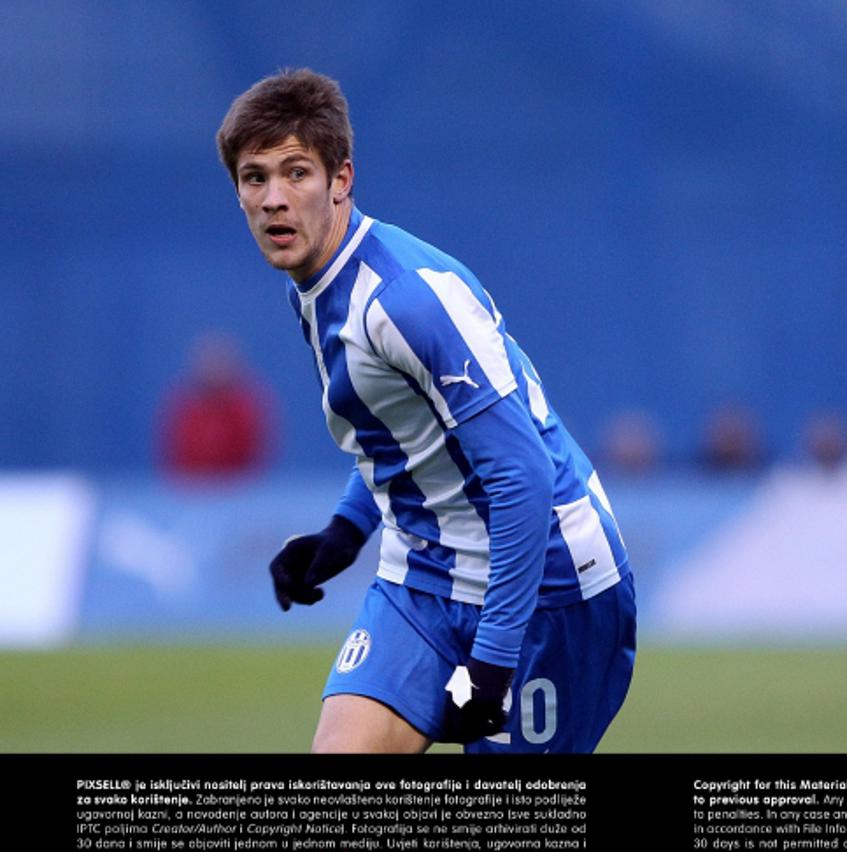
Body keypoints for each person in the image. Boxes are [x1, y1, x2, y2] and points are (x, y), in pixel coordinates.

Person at [216, 69, 635, 753]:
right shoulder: (315, 286)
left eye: (296, 172)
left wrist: (494, 664)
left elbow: (523, 477)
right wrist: (345, 533)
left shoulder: (406, 301)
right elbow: (403, 426)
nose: (273, 199)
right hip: (425, 581)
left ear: (341, 179)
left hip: (547, 591)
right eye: (254, 178)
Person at [158, 332, 274, 477]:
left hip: (240, 491)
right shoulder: (184, 411)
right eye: (209, 364)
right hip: (192, 491)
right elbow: (175, 451)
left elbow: (255, 453)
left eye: (220, 363)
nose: (214, 369)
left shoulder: (247, 411)